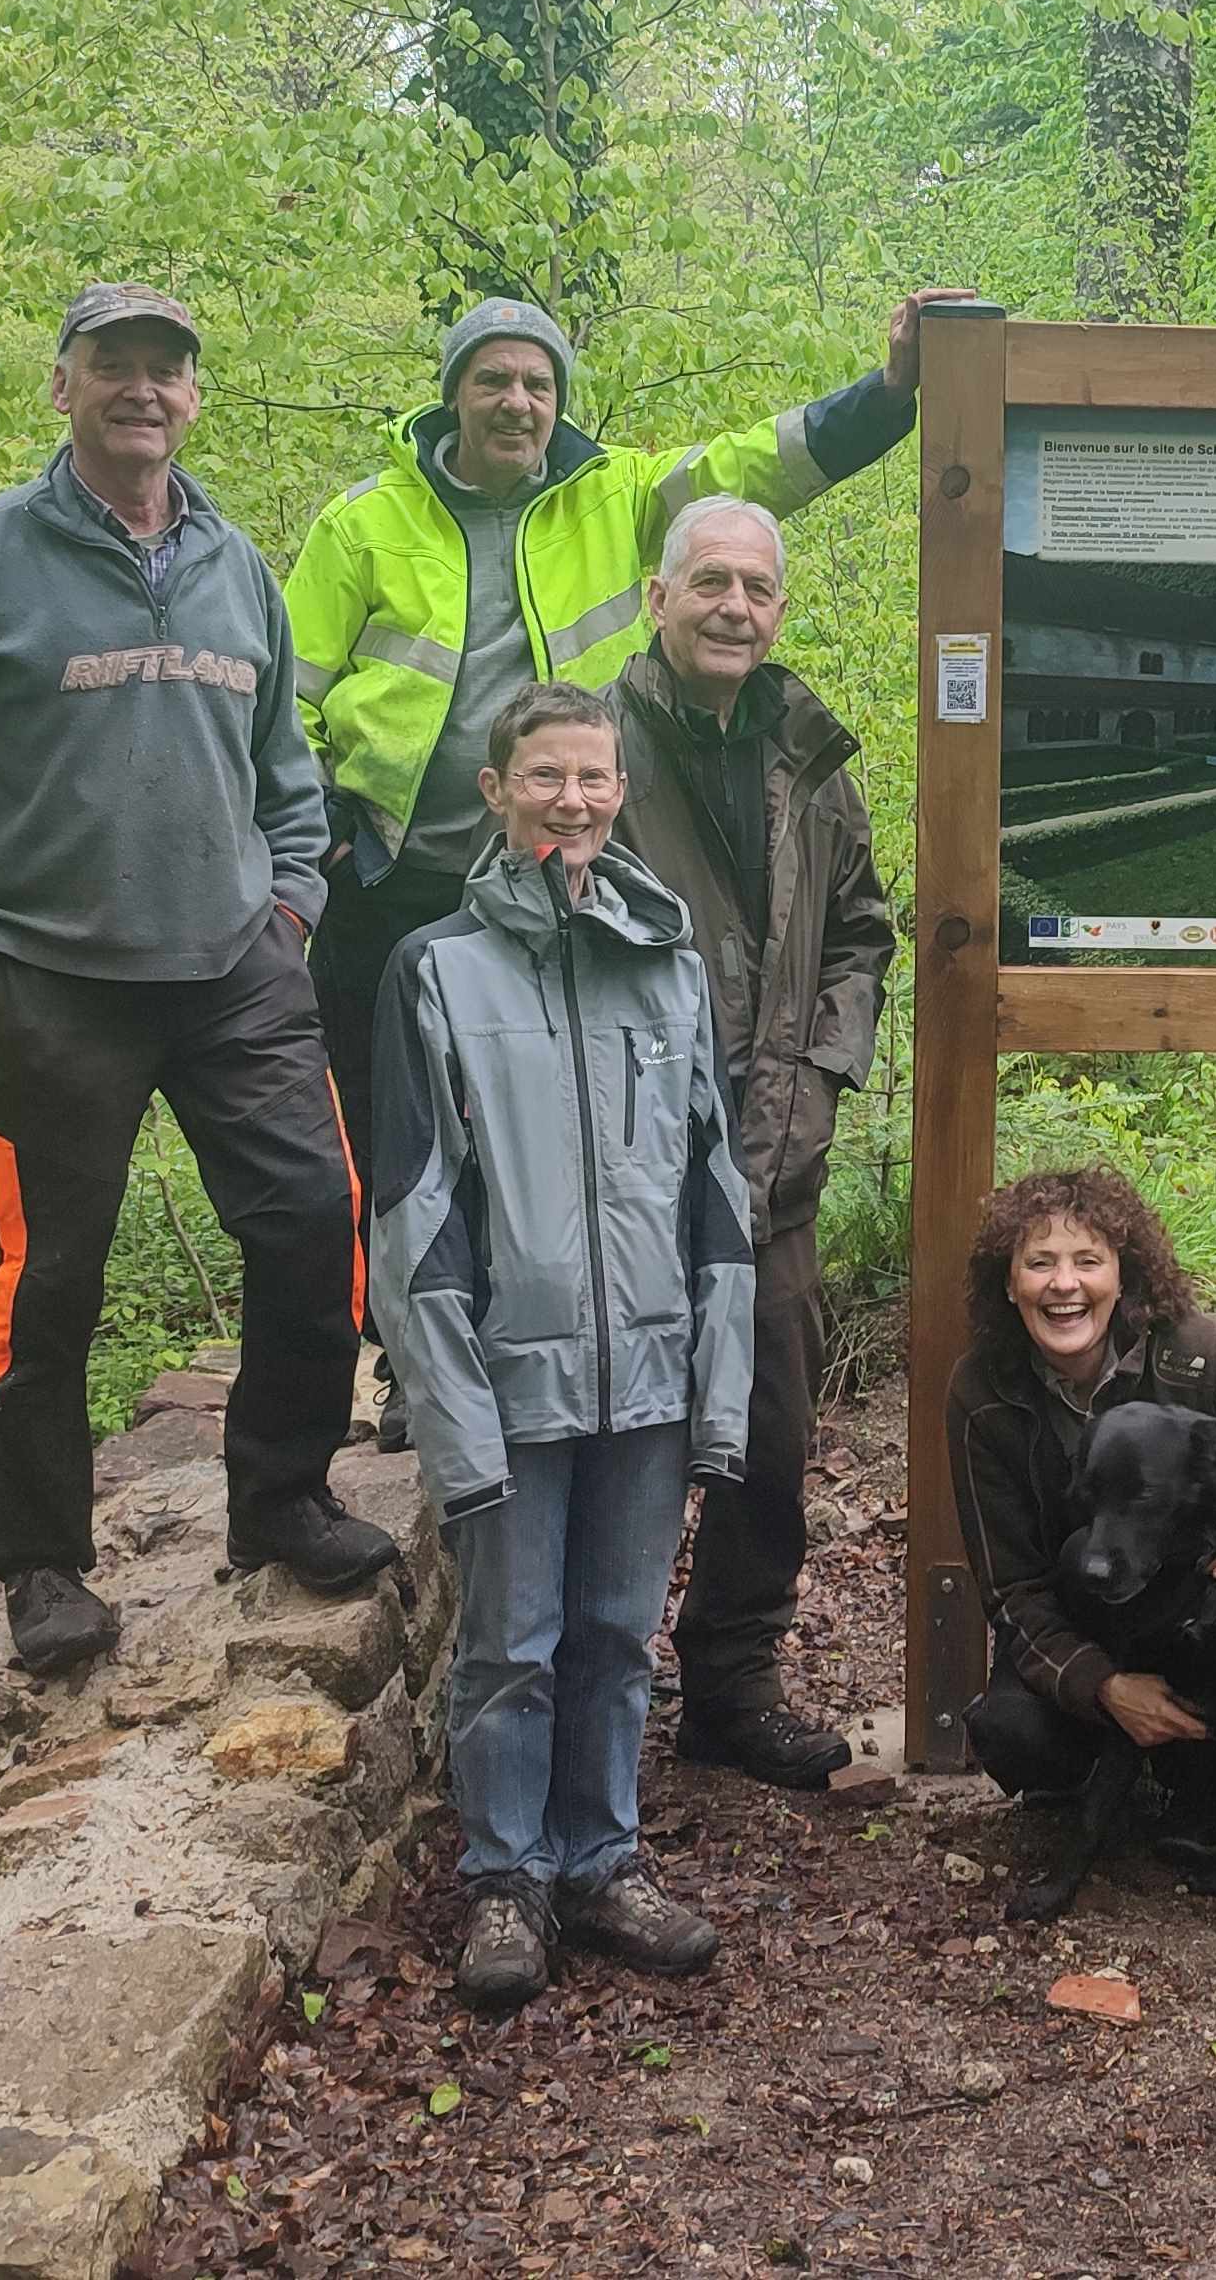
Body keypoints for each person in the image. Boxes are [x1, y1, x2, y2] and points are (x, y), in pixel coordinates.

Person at [0, 284, 400, 1680]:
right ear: (64, 387)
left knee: (315, 1219)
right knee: (45, 1285)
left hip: (236, 971)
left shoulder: (238, 566)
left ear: (194, 397)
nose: (141, 391)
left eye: (166, 371)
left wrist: (291, 905)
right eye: (114, 367)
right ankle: (42, 1567)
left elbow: (291, 769)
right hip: (51, 981)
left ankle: (280, 1498)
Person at [286, 288, 964, 1150]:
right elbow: (285, 699)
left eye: (539, 383)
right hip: (394, 887)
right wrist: (330, 838)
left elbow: (760, 464)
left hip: (561, 884)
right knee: (381, 1136)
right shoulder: (364, 524)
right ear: (453, 393)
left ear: (559, 401)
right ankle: (386, 1291)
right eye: (493, 380)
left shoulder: (615, 495)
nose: (517, 402)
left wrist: (888, 392)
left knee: (533, 1143)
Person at [363, 683, 756, 2009]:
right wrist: (452, 1417)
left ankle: (603, 1860)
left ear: (619, 791)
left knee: (612, 1631)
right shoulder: (436, 971)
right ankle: (505, 1881)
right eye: (546, 778)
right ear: (495, 791)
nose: (574, 801)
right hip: (512, 1374)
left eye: (594, 778)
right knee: (511, 1644)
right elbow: (412, 1215)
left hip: (644, 1369)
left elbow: (714, 1186)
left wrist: (720, 1377)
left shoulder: (670, 962)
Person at [605, 497, 899, 1790]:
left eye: (756, 588)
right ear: (657, 595)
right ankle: (588, 1697)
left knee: (769, 1439)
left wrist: (823, 1072)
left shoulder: (811, 756)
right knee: (613, 1440)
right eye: (708, 581)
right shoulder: (592, 746)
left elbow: (859, 936)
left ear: (780, 610)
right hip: (616, 1169)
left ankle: (730, 1684)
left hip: (774, 1165)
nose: (734, 606)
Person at [947, 1166, 1216, 1835]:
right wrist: (1104, 1688)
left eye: (1088, 1261)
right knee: (1014, 1733)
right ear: (1008, 1282)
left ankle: (1209, 1775)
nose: (1064, 1285)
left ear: (1124, 1275)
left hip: (1208, 1625)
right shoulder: (982, 1394)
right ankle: (1105, 1774)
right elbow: (1013, 1589)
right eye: (1040, 1263)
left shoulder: (1201, 1355)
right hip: (1087, 1620)